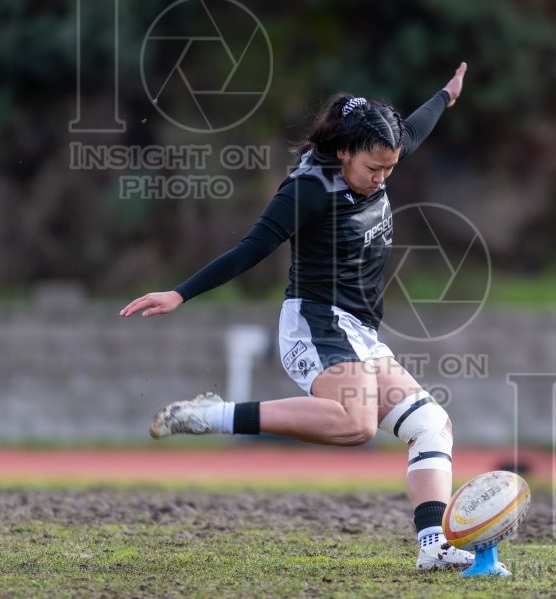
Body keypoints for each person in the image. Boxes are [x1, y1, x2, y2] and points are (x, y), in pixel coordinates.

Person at [121, 63, 472, 571]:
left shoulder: (381, 150)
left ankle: (432, 547)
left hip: (361, 332)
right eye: (373, 168)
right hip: (316, 321)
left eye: (390, 170)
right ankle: (214, 415)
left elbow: (416, 126)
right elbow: (251, 249)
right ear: (344, 151)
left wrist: (446, 94)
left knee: (433, 426)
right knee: (355, 425)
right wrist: (180, 293)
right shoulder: (308, 188)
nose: (381, 179)